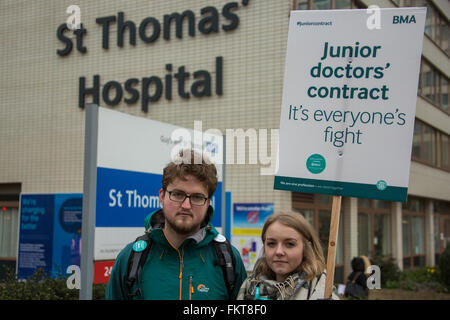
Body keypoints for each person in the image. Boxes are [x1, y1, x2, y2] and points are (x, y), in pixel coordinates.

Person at [106, 149, 247, 300]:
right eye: (178, 194)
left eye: (197, 197)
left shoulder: (229, 260)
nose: (186, 205)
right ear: (162, 196)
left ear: (208, 203)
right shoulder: (130, 258)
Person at [237, 211, 339, 300]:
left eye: (290, 244)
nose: (279, 252)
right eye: (271, 243)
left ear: (306, 248)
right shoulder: (250, 287)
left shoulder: (324, 291)